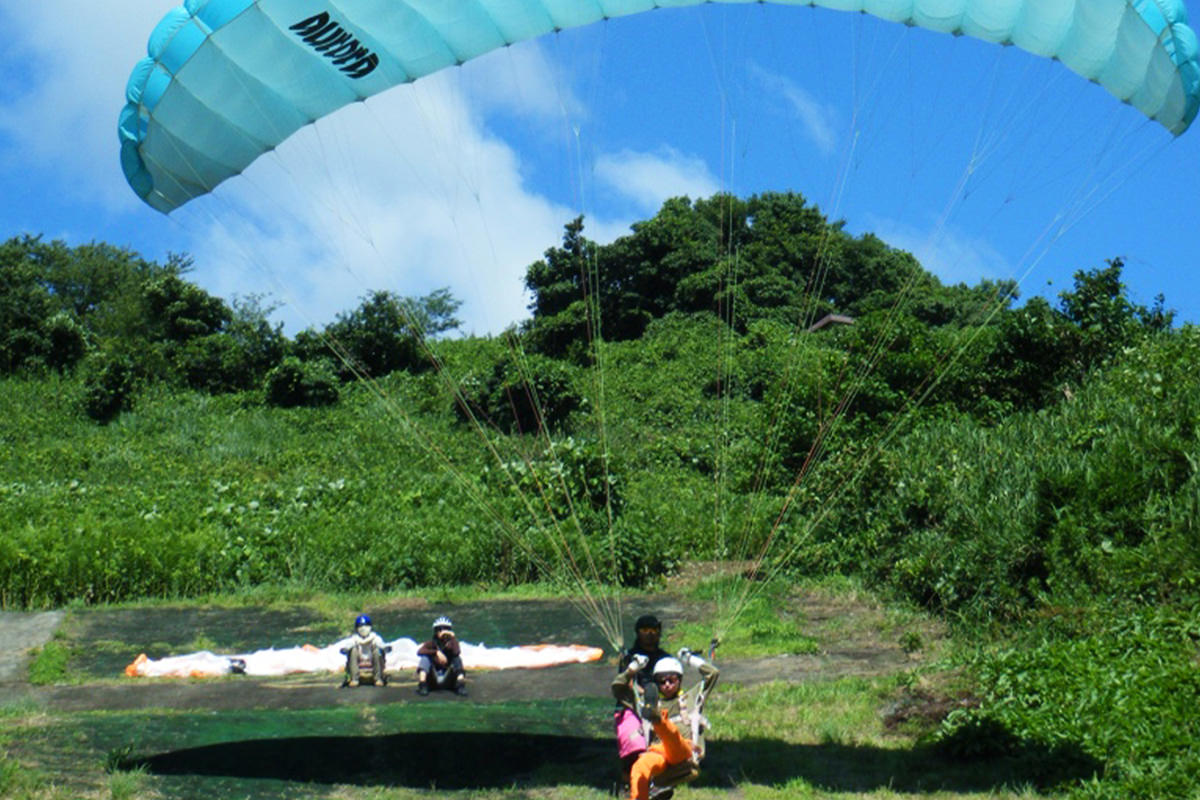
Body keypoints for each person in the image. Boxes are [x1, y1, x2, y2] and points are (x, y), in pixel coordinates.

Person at [612, 648, 720, 800]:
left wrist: (689, 658)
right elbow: (618, 688)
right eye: (662, 681)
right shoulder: (646, 700)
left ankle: (657, 718)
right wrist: (633, 668)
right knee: (640, 767)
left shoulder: (691, 697)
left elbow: (713, 674)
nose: (667, 685)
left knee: (671, 735)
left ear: (680, 680)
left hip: (684, 752)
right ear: (656, 684)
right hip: (658, 753)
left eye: (672, 680)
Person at [614, 615, 671, 774]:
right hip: (631, 706)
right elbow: (625, 684)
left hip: (658, 706)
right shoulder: (629, 658)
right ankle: (629, 780)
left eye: (654, 630)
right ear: (638, 633)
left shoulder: (666, 658)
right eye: (645, 630)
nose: (650, 634)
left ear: (659, 633)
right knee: (633, 738)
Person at [415, 615, 467, 696]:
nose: (442, 632)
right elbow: (420, 651)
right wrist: (436, 652)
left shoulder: (452, 644)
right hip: (433, 678)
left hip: (448, 677)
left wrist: (452, 639)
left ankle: (460, 685)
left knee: (457, 659)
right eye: (439, 629)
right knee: (425, 658)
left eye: (445, 629)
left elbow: (457, 652)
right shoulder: (432, 643)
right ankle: (422, 684)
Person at [336, 613, 389, 687]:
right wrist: (345, 649)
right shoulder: (354, 639)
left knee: (377, 651)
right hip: (359, 664)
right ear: (357, 628)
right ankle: (355, 679)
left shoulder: (375, 638)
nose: (363, 628)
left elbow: (381, 644)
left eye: (366, 625)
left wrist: (385, 648)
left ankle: (378, 678)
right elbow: (349, 645)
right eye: (360, 626)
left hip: (372, 664)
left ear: (370, 627)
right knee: (353, 650)